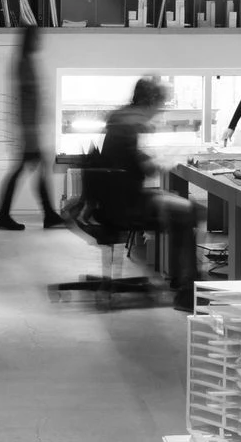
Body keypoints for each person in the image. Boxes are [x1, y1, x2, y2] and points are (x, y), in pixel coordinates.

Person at [98, 77, 198, 311]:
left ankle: (179, 279)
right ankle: (187, 291)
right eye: (159, 106)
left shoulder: (120, 119)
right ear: (150, 103)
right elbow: (145, 168)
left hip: (111, 201)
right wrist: (164, 161)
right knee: (189, 210)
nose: (158, 112)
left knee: (177, 205)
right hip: (128, 205)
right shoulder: (132, 125)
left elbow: (126, 158)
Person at [0, 26, 64, 231]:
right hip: (28, 129)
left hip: (29, 128)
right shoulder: (24, 63)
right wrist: (31, 132)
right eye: (36, 38)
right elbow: (26, 100)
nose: (39, 41)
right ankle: (44, 215)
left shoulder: (25, 61)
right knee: (32, 169)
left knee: (27, 169)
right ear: (30, 39)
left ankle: (44, 215)